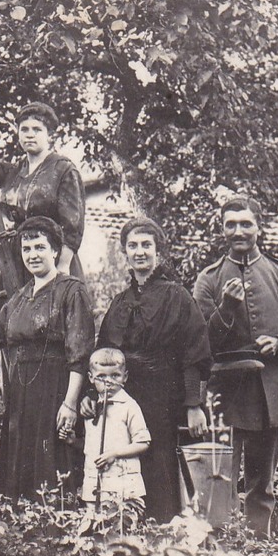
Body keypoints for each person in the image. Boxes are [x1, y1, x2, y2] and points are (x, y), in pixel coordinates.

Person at [192, 195, 278, 539]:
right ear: (221, 230)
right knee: (220, 483)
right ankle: (222, 555)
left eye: (246, 223)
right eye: (230, 224)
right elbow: (201, 344)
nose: (239, 231)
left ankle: (258, 553)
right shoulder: (208, 279)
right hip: (226, 398)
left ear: (258, 228)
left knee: (261, 487)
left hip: (270, 395)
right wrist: (227, 309)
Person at [96, 216, 212, 522]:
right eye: (132, 246)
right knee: (126, 458)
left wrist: (194, 404)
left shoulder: (177, 296)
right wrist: (90, 394)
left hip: (166, 396)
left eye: (146, 245)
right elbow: (103, 352)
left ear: (157, 250)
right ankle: (127, 528)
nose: (140, 252)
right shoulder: (120, 302)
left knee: (161, 462)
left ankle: (163, 531)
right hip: (126, 396)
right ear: (125, 253)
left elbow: (195, 353)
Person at [0, 216, 95, 504]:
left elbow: (80, 353)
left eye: (40, 247)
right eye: (27, 249)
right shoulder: (19, 298)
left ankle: (55, 532)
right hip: (20, 393)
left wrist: (70, 403)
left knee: (53, 460)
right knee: (21, 461)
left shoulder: (71, 290)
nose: (32, 255)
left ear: (55, 250)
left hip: (56, 389)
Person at [0, 102, 85, 276]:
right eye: (24, 129)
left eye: (37, 129)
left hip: (54, 261)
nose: (30, 135)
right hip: (20, 262)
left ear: (49, 134)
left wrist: (62, 267)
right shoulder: (13, 171)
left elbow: (72, 226)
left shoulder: (63, 170)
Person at [77, 348, 151, 533]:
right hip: (95, 481)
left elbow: (144, 442)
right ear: (91, 378)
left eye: (115, 376)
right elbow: (90, 446)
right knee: (95, 525)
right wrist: (72, 441)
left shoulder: (129, 406)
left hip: (122, 480)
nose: (108, 382)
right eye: (101, 376)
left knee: (121, 526)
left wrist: (115, 454)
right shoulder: (91, 407)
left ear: (125, 377)